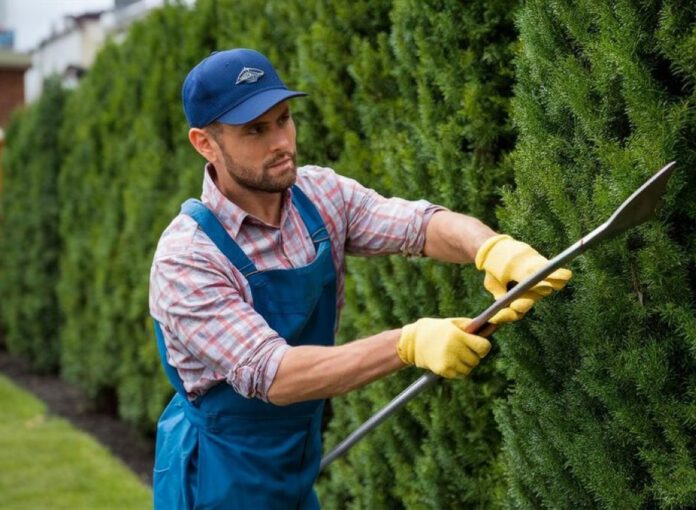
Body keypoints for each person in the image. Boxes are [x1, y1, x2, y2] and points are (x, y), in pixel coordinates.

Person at [149, 48, 571, 509]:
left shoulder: (319, 194)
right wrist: (407, 344)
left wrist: (491, 248)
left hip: (294, 462)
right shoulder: (187, 259)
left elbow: (418, 225)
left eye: (284, 119)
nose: (281, 142)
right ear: (205, 143)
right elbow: (274, 374)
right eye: (255, 130)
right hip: (216, 478)